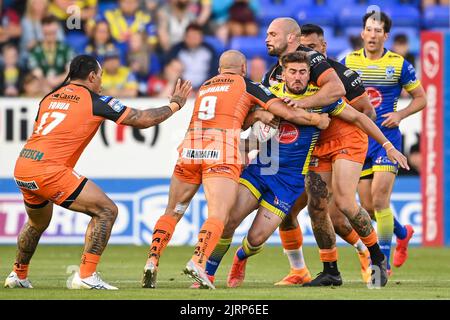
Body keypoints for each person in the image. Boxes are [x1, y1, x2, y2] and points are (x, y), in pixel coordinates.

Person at [207, 51, 409, 289]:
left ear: (309, 74)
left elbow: (360, 119)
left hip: (288, 182)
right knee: (229, 220)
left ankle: (241, 256)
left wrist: (388, 146)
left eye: (303, 72)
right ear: (283, 73)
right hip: (261, 170)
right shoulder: (269, 95)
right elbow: (240, 118)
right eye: (292, 72)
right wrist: (258, 115)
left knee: (256, 238)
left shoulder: (323, 101)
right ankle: (207, 274)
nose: (298, 77)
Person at [141, 50, 331, 289]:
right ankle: (199, 263)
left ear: (220, 69)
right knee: (220, 216)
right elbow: (284, 112)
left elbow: (230, 115)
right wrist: (316, 120)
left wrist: (255, 116)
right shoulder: (248, 85)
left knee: (173, 210)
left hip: (190, 148)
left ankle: (152, 261)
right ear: (244, 68)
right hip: (221, 150)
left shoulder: (206, 86)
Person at [4, 54, 192, 290]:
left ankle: (18, 275)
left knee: (36, 223)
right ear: (92, 76)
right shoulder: (95, 101)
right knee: (106, 210)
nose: (101, 81)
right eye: (100, 76)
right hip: (49, 171)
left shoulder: (49, 98)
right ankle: (86, 275)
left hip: (24, 166)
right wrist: (174, 105)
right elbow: (141, 119)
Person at [276, 23, 377, 286]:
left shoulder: (340, 76)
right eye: (302, 49)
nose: (307, 55)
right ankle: (312, 270)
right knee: (302, 209)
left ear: (323, 48)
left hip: (346, 141)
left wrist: (372, 151)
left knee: (341, 209)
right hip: (314, 148)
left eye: (311, 49)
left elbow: (365, 114)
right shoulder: (283, 76)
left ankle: (372, 255)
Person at [342, 11, 426, 274]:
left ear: (385, 35)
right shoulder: (349, 61)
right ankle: (403, 233)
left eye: (379, 30)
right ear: (363, 33)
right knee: (367, 206)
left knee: (379, 201)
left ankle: (383, 264)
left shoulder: (399, 64)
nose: (373, 34)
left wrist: (400, 114)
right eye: (369, 29)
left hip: (387, 139)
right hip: (359, 139)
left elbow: (421, 98)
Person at [262, 18, 345, 110]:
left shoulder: (311, 58)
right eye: (267, 35)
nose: (267, 40)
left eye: (273, 35)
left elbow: (337, 89)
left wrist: (299, 103)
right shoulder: (271, 73)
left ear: (290, 37)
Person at [27, 15, 74, 92]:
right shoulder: (35, 51)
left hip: (63, 87)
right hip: (43, 88)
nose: (50, 36)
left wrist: (56, 80)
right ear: (42, 32)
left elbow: (70, 73)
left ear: (57, 31)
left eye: (52, 33)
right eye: (46, 33)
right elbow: (36, 74)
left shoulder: (66, 49)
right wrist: (47, 84)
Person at [166, 23, 217, 90]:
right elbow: (168, 66)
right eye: (190, 37)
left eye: (196, 37)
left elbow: (213, 72)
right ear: (185, 37)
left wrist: (203, 88)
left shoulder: (209, 51)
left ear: (201, 38)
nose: (193, 39)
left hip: (205, 88)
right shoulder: (176, 50)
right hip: (181, 88)